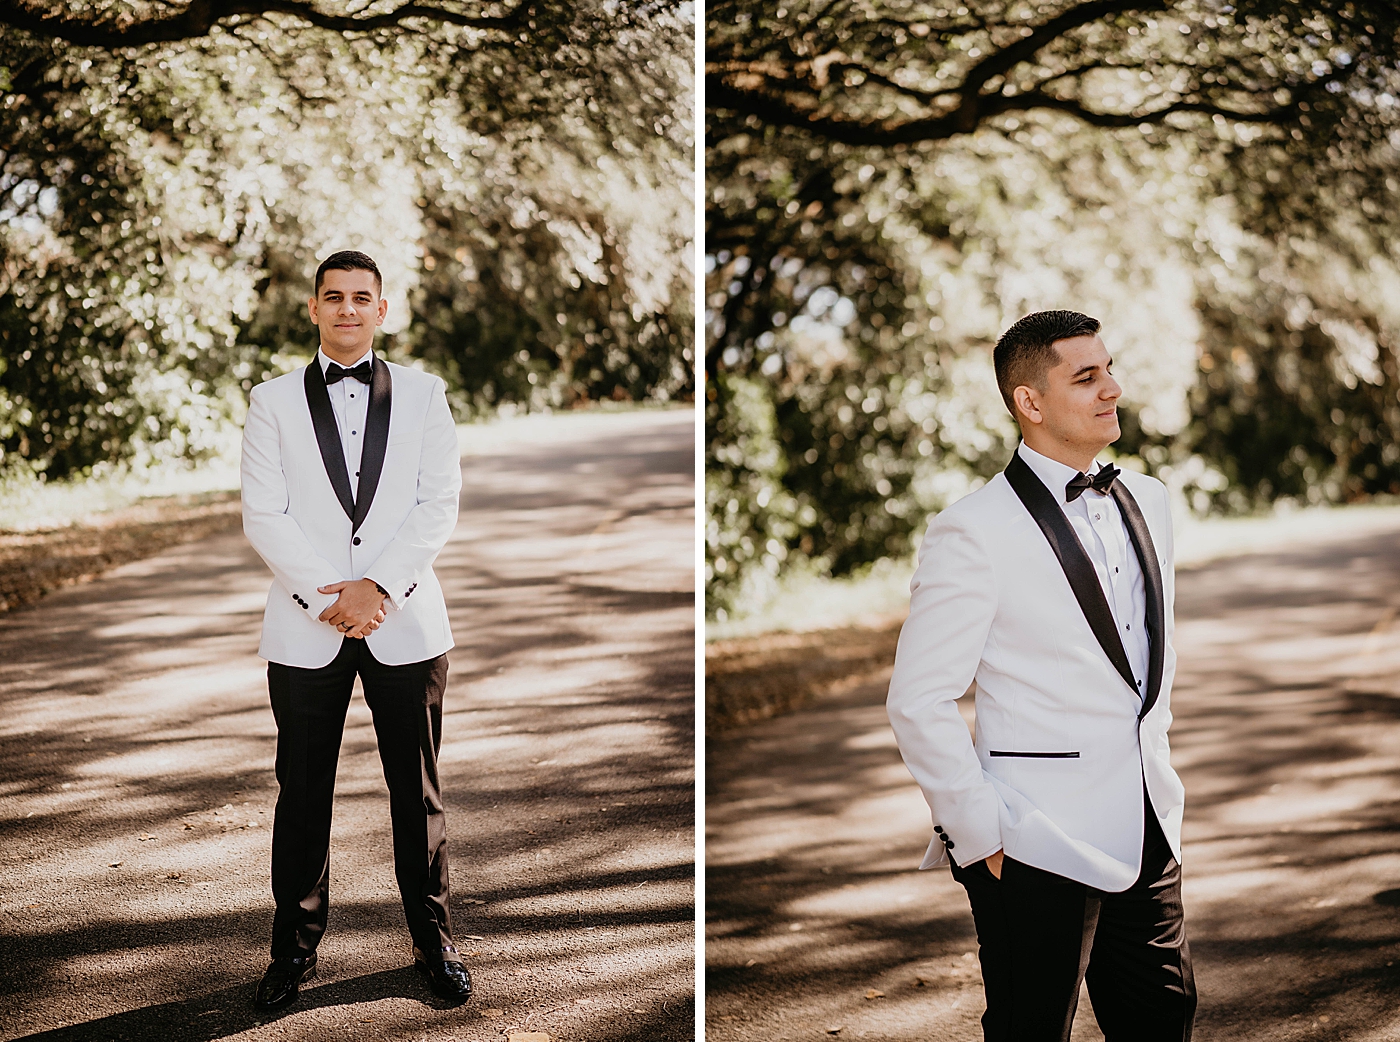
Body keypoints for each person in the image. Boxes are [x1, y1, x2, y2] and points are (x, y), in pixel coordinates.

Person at [886, 310, 1194, 1041]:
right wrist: (980, 835)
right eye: (1086, 377)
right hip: (1032, 839)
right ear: (1030, 401)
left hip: (1148, 825)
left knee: (1164, 1021)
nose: (1112, 389)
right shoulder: (973, 529)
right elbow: (919, 698)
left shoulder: (1149, 499)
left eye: (1109, 369)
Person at [240, 250, 472, 1009]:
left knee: (418, 791)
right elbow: (263, 512)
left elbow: (438, 502)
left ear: (382, 309)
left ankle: (434, 942)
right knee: (302, 794)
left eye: (360, 297)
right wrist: (327, 599)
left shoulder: (425, 394)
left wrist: (379, 588)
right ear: (313, 308)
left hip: (405, 620)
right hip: (306, 626)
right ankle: (293, 950)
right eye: (333, 297)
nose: (347, 308)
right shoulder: (271, 401)